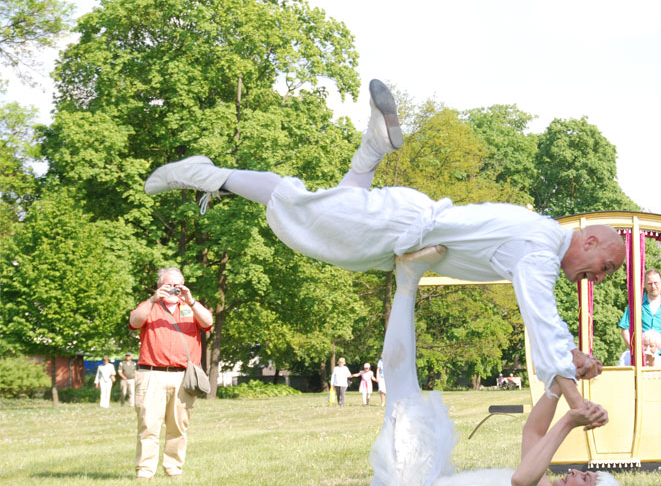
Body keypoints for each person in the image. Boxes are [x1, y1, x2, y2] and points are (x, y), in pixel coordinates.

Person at [143, 79, 623, 414]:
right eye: (603, 267)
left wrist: (569, 357)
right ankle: (206, 175)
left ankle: (374, 143)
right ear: (593, 239)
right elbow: (541, 318)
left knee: (337, 206)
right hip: (401, 230)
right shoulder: (541, 251)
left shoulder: (538, 232)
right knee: (299, 206)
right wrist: (575, 396)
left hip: (404, 228)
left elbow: (546, 325)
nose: (597, 279)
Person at [363, 252, 651, 486]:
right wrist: (561, 380)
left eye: (584, 478)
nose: (576, 472)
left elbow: (521, 480)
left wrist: (570, 420)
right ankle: (407, 279)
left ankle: (407, 280)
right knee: (404, 403)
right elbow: (533, 433)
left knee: (403, 404)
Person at [128, 267, 214, 479]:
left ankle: (173, 469)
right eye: (168, 285)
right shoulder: (150, 306)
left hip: (182, 376)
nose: (174, 290)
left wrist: (191, 301)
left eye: (178, 285)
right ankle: (145, 471)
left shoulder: (190, 307)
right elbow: (134, 321)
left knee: (178, 426)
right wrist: (152, 299)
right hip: (151, 374)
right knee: (148, 424)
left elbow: (208, 322)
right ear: (159, 286)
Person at [618, 268, 661, 363]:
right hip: (642, 359)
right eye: (649, 283)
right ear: (644, 284)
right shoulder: (636, 304)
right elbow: (625, 329)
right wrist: (635, 351)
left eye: (656, 283)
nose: (653, 286)